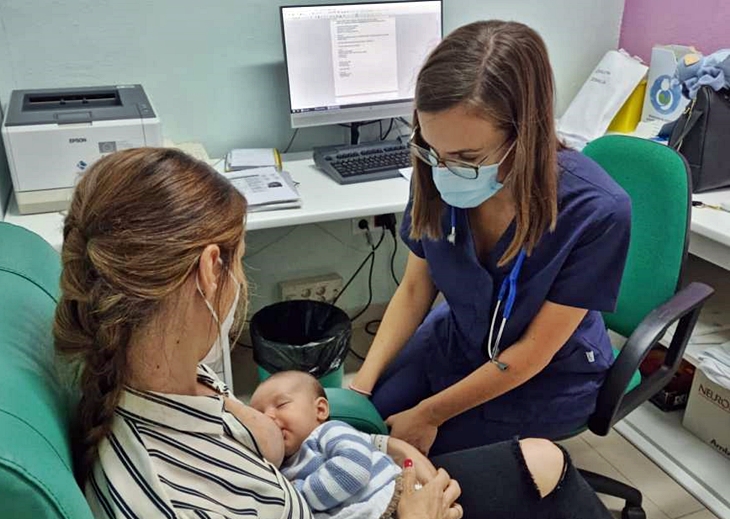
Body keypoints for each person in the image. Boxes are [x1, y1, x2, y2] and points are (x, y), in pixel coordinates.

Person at [53, 147, 613, 518]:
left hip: (338, 491)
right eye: (242, 262)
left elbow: (264, 446)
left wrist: (373, 443)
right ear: (208, 272)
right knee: (547, 472)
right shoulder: (173, 494)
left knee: (542, 457)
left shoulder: (157, 373)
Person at [351, 20, 632, 456]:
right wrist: (361, 389)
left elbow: (531, 354)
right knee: (358, 427)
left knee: (414, 462)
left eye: (466, 158)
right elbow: (413, 290)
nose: (443, 170)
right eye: (432, 149)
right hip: (458, 341)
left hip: (545, 375)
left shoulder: (595, 211)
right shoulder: (436, 170)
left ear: (525, 134)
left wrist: (429, 414)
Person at [250, 371, 404, 519]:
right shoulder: (278, 466)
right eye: (258, 416)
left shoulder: (329, 432)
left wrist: (299, 495)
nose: (268, 417)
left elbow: (355, 468)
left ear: (320, 410)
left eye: (281, 405)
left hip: (388, 501)